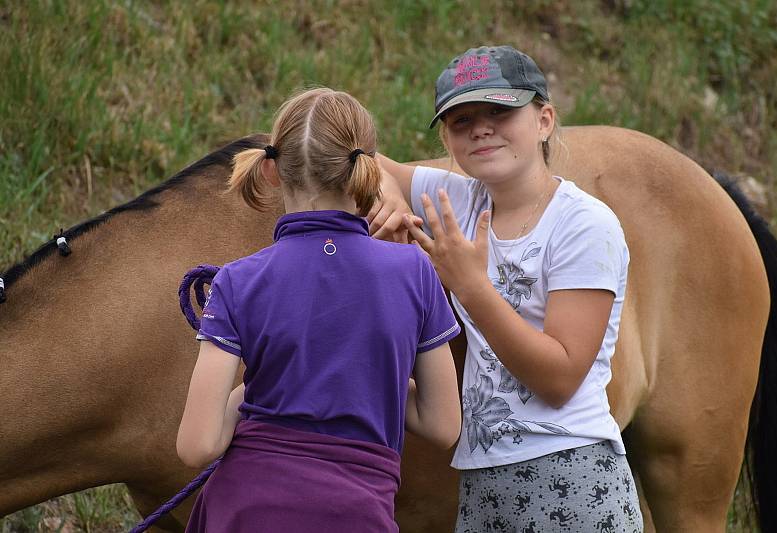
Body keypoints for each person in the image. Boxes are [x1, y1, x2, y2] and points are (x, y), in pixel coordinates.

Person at [371, 46, 644, 532]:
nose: (480, 128)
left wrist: (472, 287)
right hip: (481, 480)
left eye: (500, 111)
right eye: (460, 120)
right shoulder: (462, 198)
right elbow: (372, 162)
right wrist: (389, 194)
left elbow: (559, 379)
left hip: (570, 471)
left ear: (543, 120)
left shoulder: (584, 224)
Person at [176, 87, 462, 532]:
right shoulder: (415, 272)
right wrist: (367, 377)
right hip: (356, 515)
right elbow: (443, 424)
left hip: (246, 510)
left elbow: (196, 446)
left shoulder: (236, 281)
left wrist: (269, 387)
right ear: (365, 171)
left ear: (270, 170)